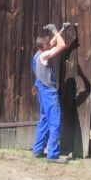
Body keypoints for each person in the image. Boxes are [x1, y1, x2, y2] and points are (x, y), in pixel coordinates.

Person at [31, 28, 67, 163]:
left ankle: (38, 150)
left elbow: (52, 42)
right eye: (47, 45)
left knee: (44, 121)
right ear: (42, 47)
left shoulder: (37, 54)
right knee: (54, 123)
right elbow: (62, 45)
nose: (49, 45)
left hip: (41, 91)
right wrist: (55, 31)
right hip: (49, 93)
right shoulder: (44, 56)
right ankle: (52, 155)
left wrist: (62, 29)